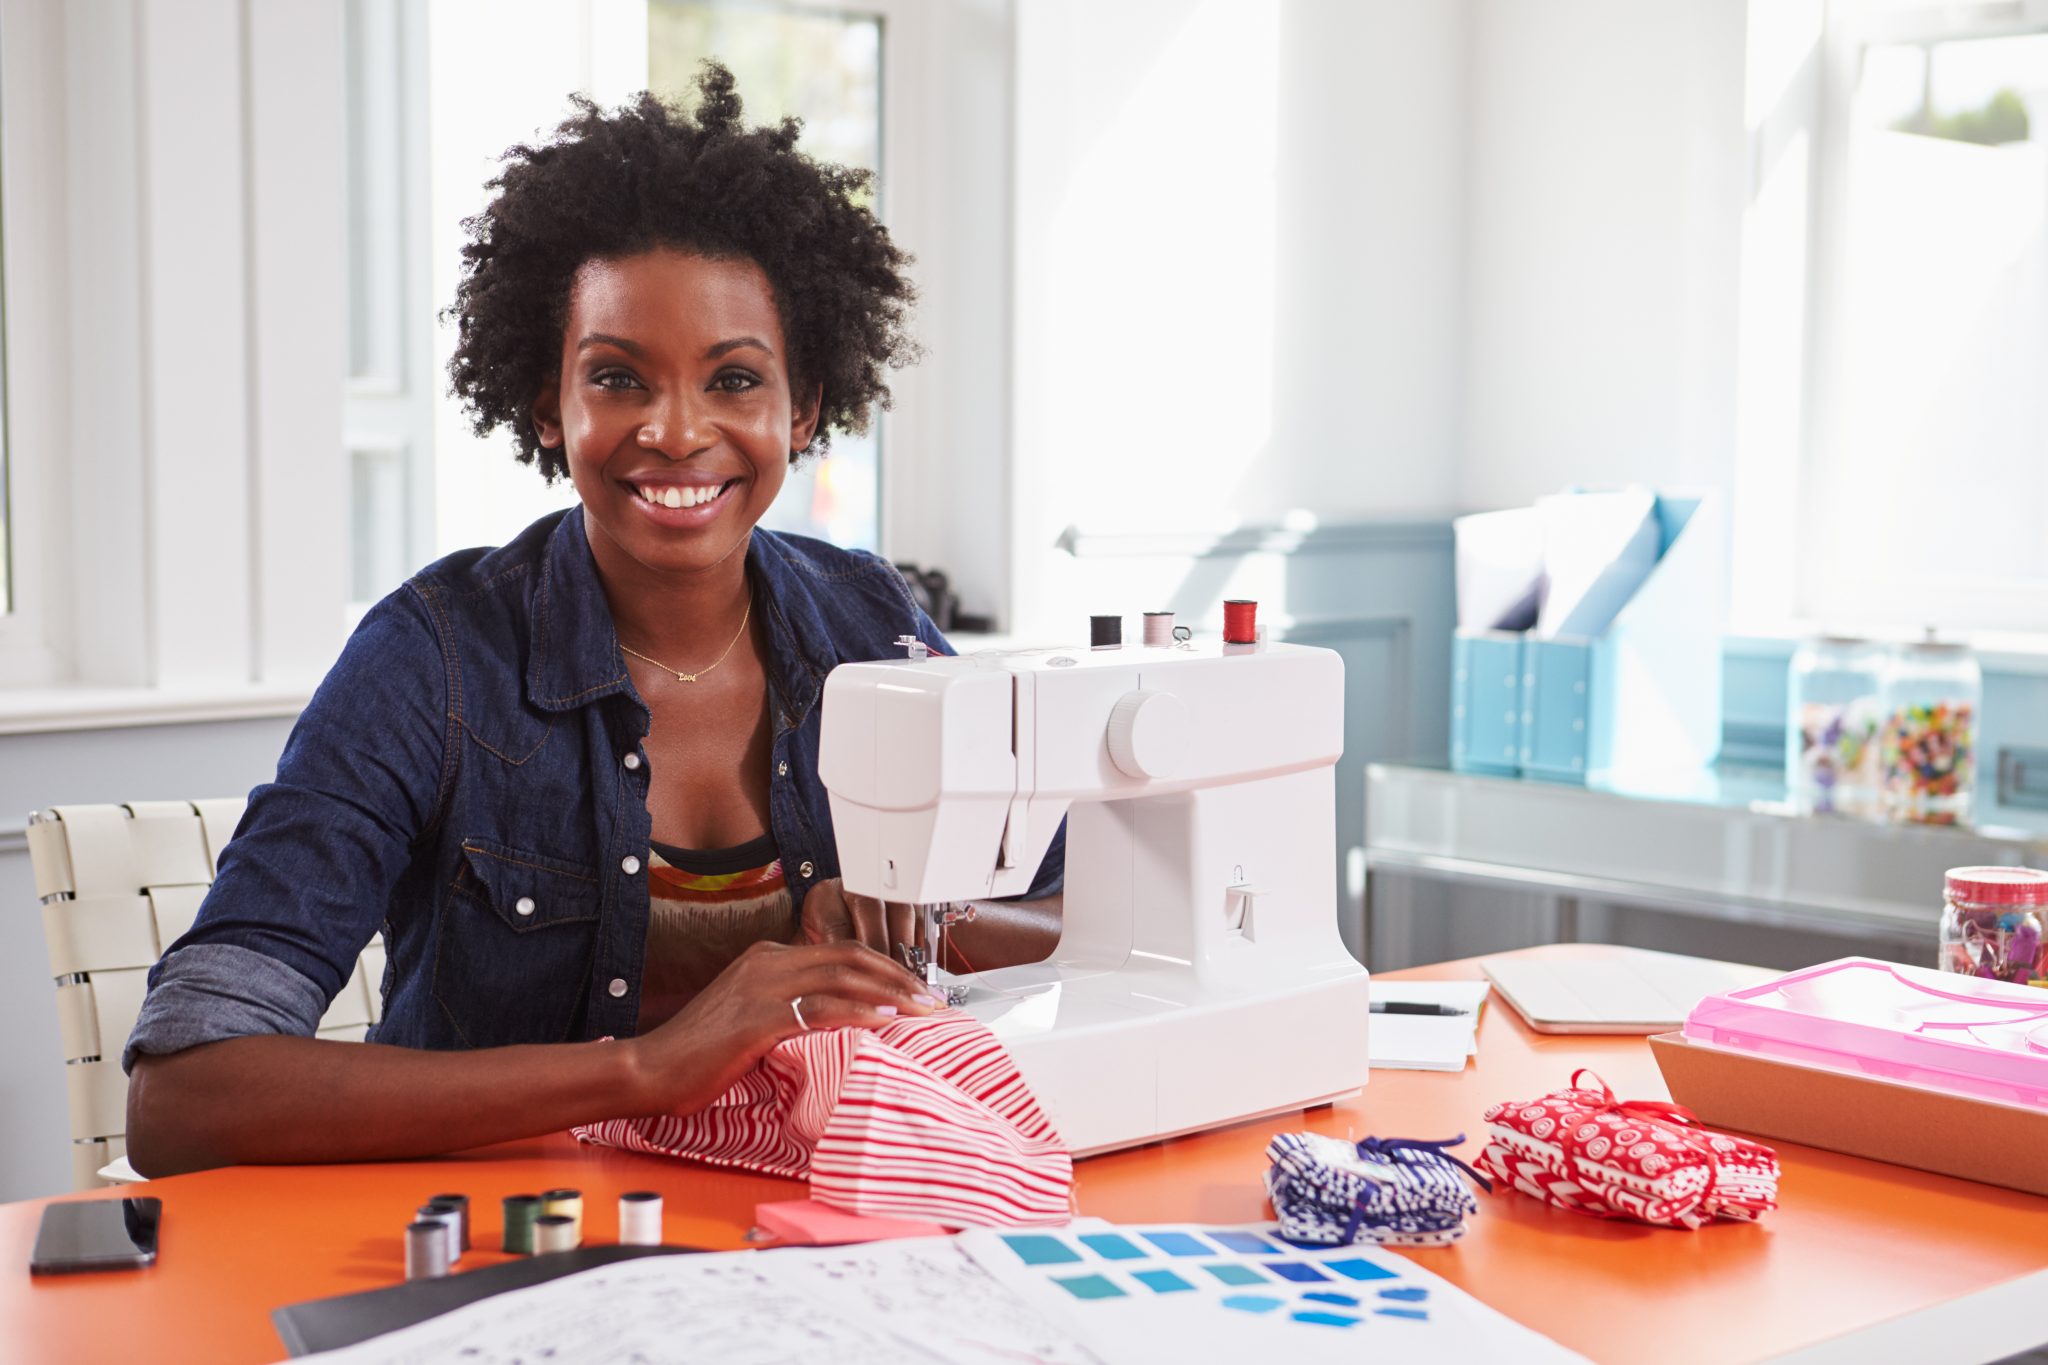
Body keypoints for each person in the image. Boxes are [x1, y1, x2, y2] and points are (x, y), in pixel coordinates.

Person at [124, 65, 1064, 1177]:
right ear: (547, 404)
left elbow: (1076, 920)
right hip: (500, 1236)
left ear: (803, 408)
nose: (677, 431)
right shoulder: (434, 659)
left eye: (734, 380)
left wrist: (919, 919)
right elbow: (185, 1097)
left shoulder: (868, 621)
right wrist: (650, 1067)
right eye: (617, 377)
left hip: (809, 1217)